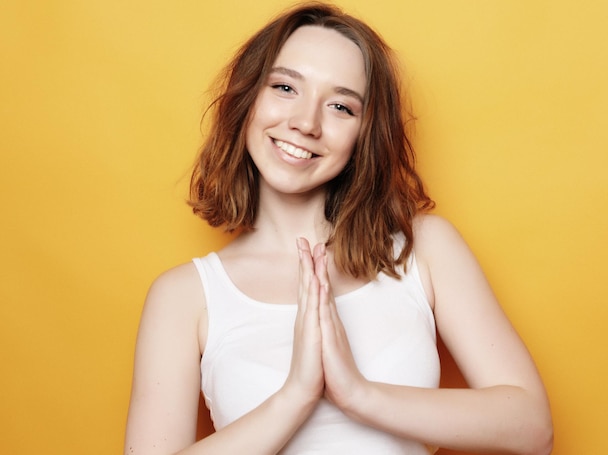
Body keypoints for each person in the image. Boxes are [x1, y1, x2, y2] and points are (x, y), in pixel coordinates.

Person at [124, 3, 553, 454]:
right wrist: (295, 397)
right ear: (247, 98)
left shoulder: (423, 250)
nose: (306, 123)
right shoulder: (184, 295)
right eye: (285, 87)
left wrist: (357, 394)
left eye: (340, 106)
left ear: (366, 132)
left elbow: (531, 427)